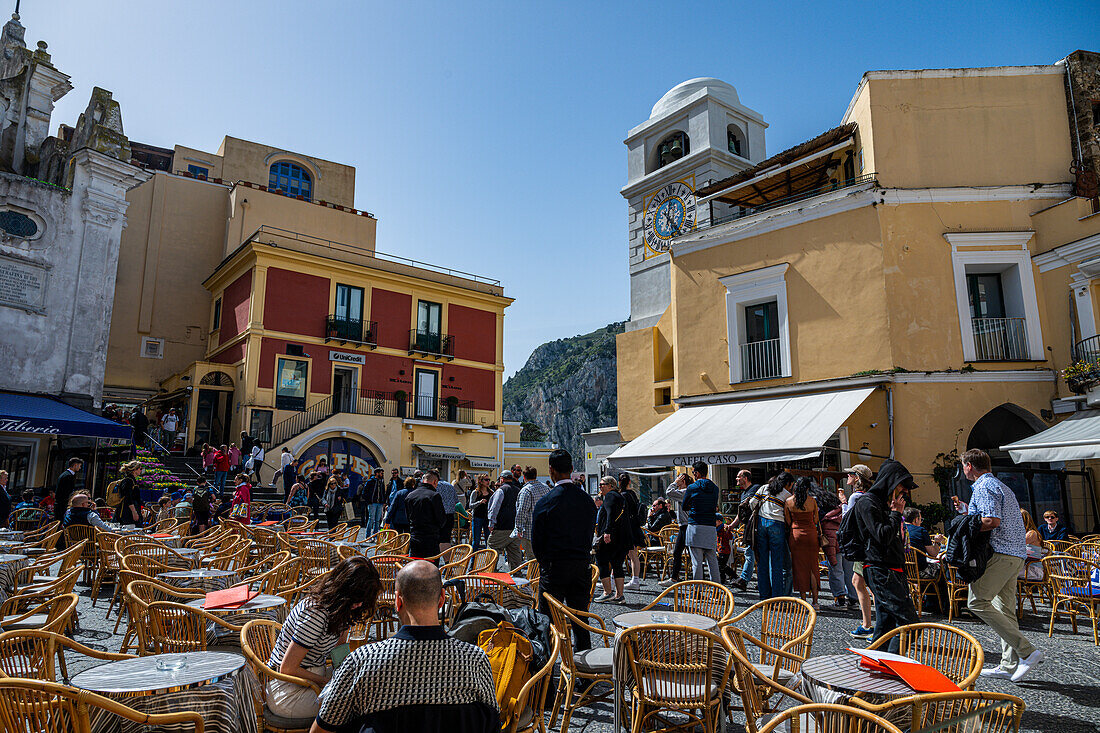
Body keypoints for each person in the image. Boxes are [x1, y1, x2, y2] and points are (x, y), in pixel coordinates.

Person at [311, 560, 498, 733]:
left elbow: (321, 728)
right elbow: (493, 722)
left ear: (397, 601)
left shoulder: (362, 660)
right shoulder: (475, 659)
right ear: (442, 599)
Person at [961, 449, 1043, 682]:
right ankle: (1008, 665)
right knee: (1005, 610)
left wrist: (963, 529)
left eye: (963, 467)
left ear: (969, 466)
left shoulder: (984, 486)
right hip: (1015, 555)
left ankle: (1026, 651)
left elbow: (991, 521)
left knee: (976, 601)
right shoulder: (1000, 485)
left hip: (1001, 553)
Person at [269, 556, 382, 720]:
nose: (360, 605)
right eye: (358, 599)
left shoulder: (341, 608)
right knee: (357, 705)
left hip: (312, 677)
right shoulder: (316, 613)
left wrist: (348, 673)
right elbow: (288, 668)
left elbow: (338, 651)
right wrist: (327, 681)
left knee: (369, 687)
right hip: (289, 690)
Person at [532, 449, 598, 650]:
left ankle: (547, 674)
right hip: (581, 565)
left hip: (555, 567)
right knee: (580, 620)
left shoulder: (546, 502)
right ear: (571, 469)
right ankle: (585, 674)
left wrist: (545, 563)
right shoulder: (587, 501)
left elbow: (537, 541)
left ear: (551, 471)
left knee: (548, 623)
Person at [850, 458, 919, 653]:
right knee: (909, 624)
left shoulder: (884, 503)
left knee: (886, 624)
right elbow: (882, 535)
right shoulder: (868, 502)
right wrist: (896, 513)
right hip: (879, 568)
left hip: (892, 569)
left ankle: (874, 665)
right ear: (891, 481)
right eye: (902, 486)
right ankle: (891, 667)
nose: (905, 491)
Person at [841, 464, 875, 638]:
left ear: (857, 478)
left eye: (850, 474)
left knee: (863, 583)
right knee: (858, 581)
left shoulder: (855, 496)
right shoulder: (870, 495)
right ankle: (868, 623)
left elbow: (847, 519)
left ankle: (869, 625)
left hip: (861, 546)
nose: (847, 476)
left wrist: (843, 503)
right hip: (869, 544)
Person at [750, 472, 793, 600]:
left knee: (762, 561)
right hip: (777, 525)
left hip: (762, 524)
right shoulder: (787, 495)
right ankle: (776, 596)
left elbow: (752, 503)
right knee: (777, 563)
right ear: (787, 483)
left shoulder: (764, 488)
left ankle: (764, 596)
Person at [594, 475, 631, 603]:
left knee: (602, 561)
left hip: (611, 536)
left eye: (602, 484)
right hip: (622, 537)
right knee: (617, 564)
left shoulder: (610, 496)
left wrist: (607, 531)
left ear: (610, 486)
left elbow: (609, 515)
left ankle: (607, 592)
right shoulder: (620, 497)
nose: (600, 487)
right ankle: (619, 595)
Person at [682, 461, 721, 583]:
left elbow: (684, 506)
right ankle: (718, 590)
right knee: (712, 560)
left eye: (693, 472)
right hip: (710, 526)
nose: (693, 474)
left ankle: (697, 591)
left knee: (697, 562)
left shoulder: (692, 487)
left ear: (697, 473)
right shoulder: (715, 488)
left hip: (695, 525)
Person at [786, 476, 821, 609]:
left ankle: (804, 600)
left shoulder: (789, 501)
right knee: (813, 567)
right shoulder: (812, 501)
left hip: (796, 535)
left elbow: (788, 521)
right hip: (811, 534)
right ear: (807, 488)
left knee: (799, 567)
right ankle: (816, 602)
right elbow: (816, 519)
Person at [813, 481, 847, 606]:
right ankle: (853, 598)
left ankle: (840, 599)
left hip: (831, 541)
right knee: (848, 570)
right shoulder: (840, 512)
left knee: (835, 568)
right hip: (844, 540)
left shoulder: (824, 516)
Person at [405, 470, 448, 559]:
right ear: (435, 482)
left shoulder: (410, 495)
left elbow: (408, 517)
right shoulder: (434, 496)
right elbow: (441, 519)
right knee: (430, 568)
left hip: (415, 537)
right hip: (430, 538)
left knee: (415, 567)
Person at [658, 472, 691, 588]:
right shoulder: (685, 492)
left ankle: (675, 578)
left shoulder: (685, 492)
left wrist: (674, 483)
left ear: (683, 480)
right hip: (685, 525)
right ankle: (675, 577)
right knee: (681, 552)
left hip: (686, 526)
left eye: (679, 480)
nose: (677, 482)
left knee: (679, 552)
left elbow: (668, 492)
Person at [513, 466, 551, 562]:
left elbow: (522, 511)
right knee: (542, 559)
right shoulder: (546, 488)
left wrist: (519, 529)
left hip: (530, 532)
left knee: (532, 560)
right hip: (545, 530)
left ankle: (534, 577)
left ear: (524, 477)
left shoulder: (526, 491)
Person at [487, 470, 523, 570]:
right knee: (515, 554)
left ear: (502, 479)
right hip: (514, 527)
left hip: (501, 527)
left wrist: (491, 523)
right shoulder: (518, 490)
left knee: (492, 549)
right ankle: (517, 576)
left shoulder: (501, 490)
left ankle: (489, 573)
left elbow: (494, 508)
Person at [731, 469, 759, 591]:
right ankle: (747, 580)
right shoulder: (743, 494)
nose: (736, 479)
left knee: (752, 554)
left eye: (738, 476)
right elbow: (740, 513)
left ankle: (744, 579)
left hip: (756, 527)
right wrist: (732, 526)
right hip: (748, 528)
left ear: (745, 478)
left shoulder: (755, 489)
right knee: (752, 554)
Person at [618, 474, 645, 590]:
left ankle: (616, 579)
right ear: (629, 482)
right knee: (633, 555)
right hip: (634, 527)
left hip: (626, 527)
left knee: (619, 555)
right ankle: (635, 580)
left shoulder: (622, 495)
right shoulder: (632, 494)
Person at [903, 507, 942, 578]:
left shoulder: (899, 530)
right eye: (920, 519)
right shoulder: (920, 530)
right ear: (916, 519)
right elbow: (934, 554)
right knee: (942, 566)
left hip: (903, 572)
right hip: (920, 571)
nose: (921, 522)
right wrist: (937, 542)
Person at [115, 460, 144, 527]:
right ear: (134, 470)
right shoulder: (128, 481)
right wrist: (134, 512)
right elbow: (128, 498)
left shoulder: (132, 480)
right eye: (140, 469)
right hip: (127, 512)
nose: (141, 470)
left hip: (131, 510)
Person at [54, 457, 83, 524]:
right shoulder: (68, 476)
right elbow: (68, 492)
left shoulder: (65, 474)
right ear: (75, 465)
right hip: (63, 505)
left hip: (60, 504)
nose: (80, 468)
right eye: (79, 466)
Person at [469, 475, 493, 551]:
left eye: (489, 480)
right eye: (486, 480)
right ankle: (473, 561)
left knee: (488, 541)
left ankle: (488, 560)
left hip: (487, 518)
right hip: (477, 517)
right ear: (481, 481)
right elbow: (470, 505)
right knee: (476, 541)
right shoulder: (475, 492)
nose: (488, 481)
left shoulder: (491, 493)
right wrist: (479, 502)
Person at [435, 475, 457, 551]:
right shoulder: (450, 486)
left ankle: (436, 557)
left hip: (439, 514)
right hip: (450, 514)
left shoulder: (436, 486)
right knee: (446, 538)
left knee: (437, 538)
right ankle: (447, 560)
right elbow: (456, 500)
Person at [716, 518, 735, 583]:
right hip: (720, 549)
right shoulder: (718, 528)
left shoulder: (724, 528)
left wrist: (727, 530)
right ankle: (722, 579)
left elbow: (730, 537)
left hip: (724, 549)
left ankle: (734, 575)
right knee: (721, 566)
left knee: (722, 565)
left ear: (719, 521)